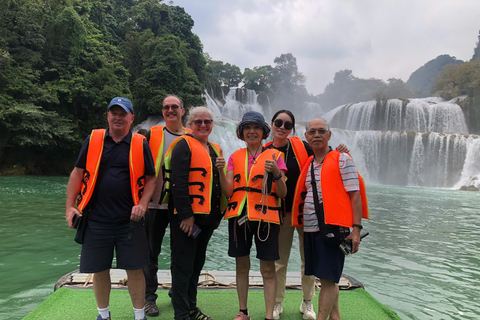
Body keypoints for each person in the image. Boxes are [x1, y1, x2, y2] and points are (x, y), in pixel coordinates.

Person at [65, 97, 156, 320]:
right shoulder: (92, 139)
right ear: (107, 115)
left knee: (135, 269)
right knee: (99, 269)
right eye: (113, 112)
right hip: (95, 218)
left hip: (130, 220)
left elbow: (151, 178)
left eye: (122, 113)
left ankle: (139, 316)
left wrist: (143, 204)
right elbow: (77, 173)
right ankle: (103, 315)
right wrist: (70, 207)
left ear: (131, 118)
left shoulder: (140, 143)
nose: (118, 117)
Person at [264, 111, 348, 320]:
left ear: (292, 128)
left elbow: (326, 157)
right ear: (272, 124)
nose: (282, 126)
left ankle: (307, 301)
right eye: (278, 122)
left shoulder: (302, 146)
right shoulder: (265, 151)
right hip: (280, 212)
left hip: (305, 213)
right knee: (279, 261)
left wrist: (342, 151)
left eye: (287, 124)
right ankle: (277, 303)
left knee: (307, 260)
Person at [291, 118, 369, 320]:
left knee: (327, 279)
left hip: (333, 228)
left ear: (329, 135)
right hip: (311, 229)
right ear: (306, 137)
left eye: (321, 131)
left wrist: (356, 229)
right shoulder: (308, 164)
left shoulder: (342, 159)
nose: (316, 135)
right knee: (327, 278)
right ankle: (335, 317)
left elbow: (355, 195)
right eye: (312, 132)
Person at [217, 111, 287, 320]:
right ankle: (243, 311)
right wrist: (220, 172)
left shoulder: (276, 156)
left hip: (266, 217)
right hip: (239, 215)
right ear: (241, 133)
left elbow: (282, 193)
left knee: (267, 268)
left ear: (264, 132)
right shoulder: (234, 157)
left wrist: (276, 173)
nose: (252, 131)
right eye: (247, 128)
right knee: (242, 265)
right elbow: (229, 192)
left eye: (256, 128)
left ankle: (268, 315)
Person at [164, 107, 226, 320]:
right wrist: (186, 215)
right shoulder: (183, 145)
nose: (203, 125)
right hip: (187, 219)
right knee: (183, 267)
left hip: (207, 219)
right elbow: (178, 182)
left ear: (212, 124)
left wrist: (218, 217)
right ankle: (182, 315)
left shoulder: (214, 149)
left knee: (196, 265)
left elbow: (215, 185)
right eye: (198, 121)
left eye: (207, 121)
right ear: (190, 124)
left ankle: (191, 308)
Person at [143, 95, 192, 317]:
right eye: (166, 108)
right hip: (154, 204)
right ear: (163, 112)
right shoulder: (151, 134)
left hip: (181, 206)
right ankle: (149, 298)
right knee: (150, 253)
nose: (170, 110)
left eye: (174, 107)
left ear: (183, 111)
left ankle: (177, 292)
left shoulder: (193, 137)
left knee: (180, 252)